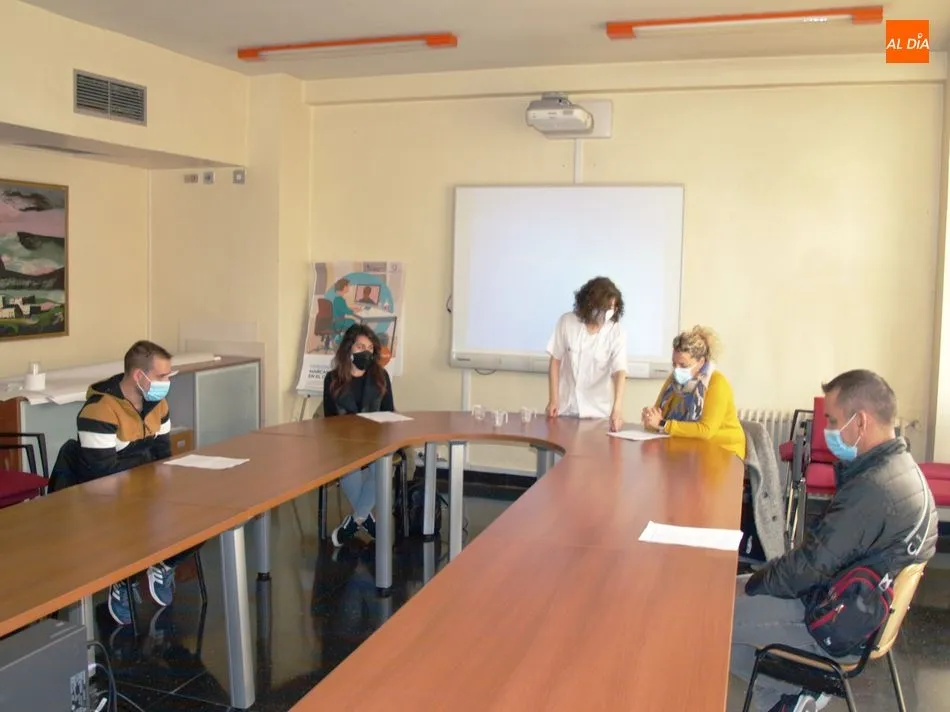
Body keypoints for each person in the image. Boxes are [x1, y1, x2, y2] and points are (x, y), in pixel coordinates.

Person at [730, 370, 938, 712]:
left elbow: (808, 567)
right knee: (735, 599)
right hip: (859, 610)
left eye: (832, 420)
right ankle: (787, 700)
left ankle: (803, 687)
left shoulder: (873, 489)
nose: (826, 429)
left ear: (861, 422)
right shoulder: (902, 469)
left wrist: (751, 583)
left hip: (834, 622)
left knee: (713, 616)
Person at [74, 340, 198, 626]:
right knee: (140, 517)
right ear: (139, 376)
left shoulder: (158, 404)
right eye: (161, 376)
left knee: (203, 511)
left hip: (144, 488)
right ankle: (123, 579)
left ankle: (163, 563)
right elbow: (102, 474)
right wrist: (150, 484)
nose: (167, 383)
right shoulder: (99, 410)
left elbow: (163, 454)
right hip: (106, 498)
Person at [323, 324, 395, 546]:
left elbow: (389, 413)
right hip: (345, 445)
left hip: (375, 442)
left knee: (383, 466)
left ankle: (356, 520)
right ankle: (365, 519)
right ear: (349, 348)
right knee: (348, 466)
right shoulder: (332, 379)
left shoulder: (381, 377)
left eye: (370, 348)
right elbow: (329, 421)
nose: (366, 352)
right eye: (360, 346)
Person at [641, 325, 745, 459]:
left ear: (701, 362)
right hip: (688, 448)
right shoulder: (672, 381)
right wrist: (649, 418)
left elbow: (706, 430)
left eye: (683, 365)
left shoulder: (717, 383)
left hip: (724, 452)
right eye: (674, 364)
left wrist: (662, 424)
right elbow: (658, 415)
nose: (676, 370)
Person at [545, 276, 627, 432]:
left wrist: (617, 409)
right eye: (603, 308)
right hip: (566, 408)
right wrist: (554, 400)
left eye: (612, 309)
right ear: (589, 304)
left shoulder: (616, 332)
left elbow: (620, 371)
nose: (607, 313)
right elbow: (555, 360)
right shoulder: (567, 322)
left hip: (598, 412)